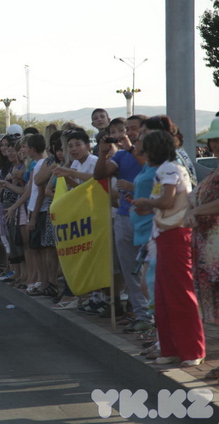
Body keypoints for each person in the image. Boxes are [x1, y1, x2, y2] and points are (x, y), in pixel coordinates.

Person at [132, 130, 205, 367]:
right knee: (163, 295)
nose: (141, 151)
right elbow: (164, 203)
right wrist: (149, 206)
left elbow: (166, 201)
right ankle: (172, 347)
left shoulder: (169, 168)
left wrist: (146, 202)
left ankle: (192, 349)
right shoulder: (167, 169)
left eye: (145, 147)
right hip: (164, 234)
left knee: (179, 293)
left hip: (176, 235)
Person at [93, 115, 152, 331]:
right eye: (122, 130)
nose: (125, 134)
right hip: (124, 216)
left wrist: (130, 148)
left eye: (131, 129)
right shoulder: (120, 156)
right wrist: (101, 154)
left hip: (148, 217)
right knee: (129, 270)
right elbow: (99, 174)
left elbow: (150, 170)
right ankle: (141, 316)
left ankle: (153, 317)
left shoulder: (150, 152)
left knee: (149, 271)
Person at [186, 118, 219, 377]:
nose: (215, 145)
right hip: (209, 250)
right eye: (213, 140)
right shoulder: (214, 173)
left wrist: (197, 209)